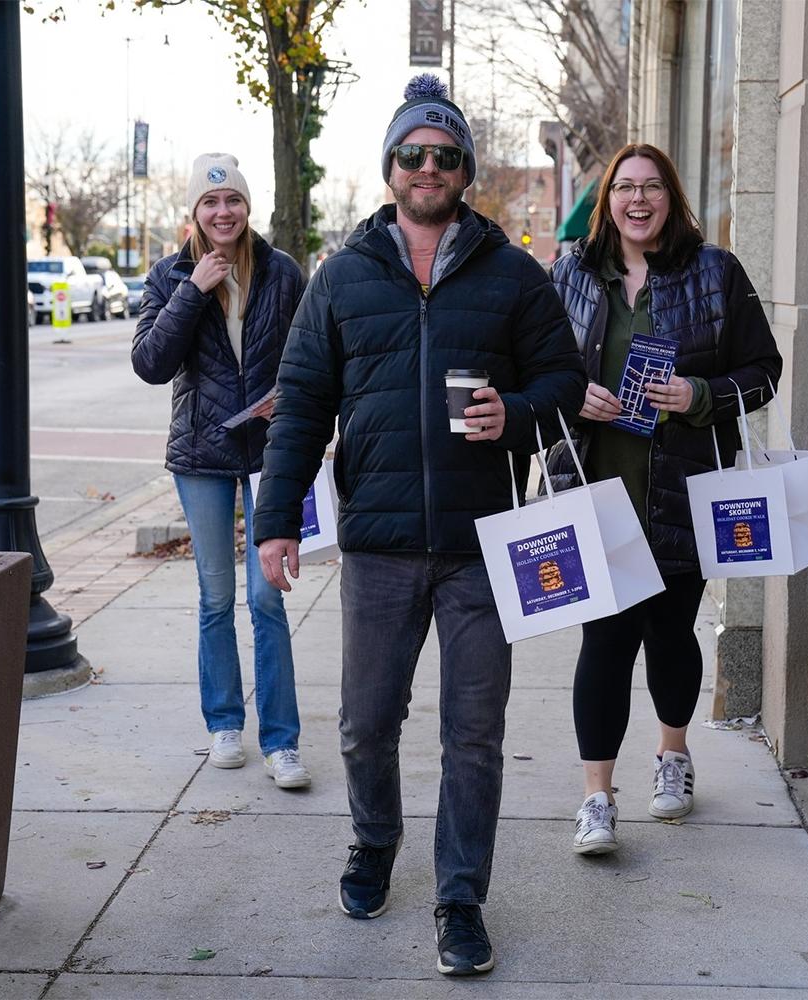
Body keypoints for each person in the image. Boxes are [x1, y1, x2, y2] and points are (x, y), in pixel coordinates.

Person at [254, 75, 586, 977]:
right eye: (413, 154)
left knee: (474, 733)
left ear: (465, 170)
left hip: (482, 546)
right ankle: (375, 841)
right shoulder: (342, 277)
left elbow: (564, 382)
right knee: (365, 723)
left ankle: (460, 897)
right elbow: (301, 405)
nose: (428, 167)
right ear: (391, 167)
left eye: (444, 155)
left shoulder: (513, 275)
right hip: (379, 544)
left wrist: (513, 414)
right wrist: (276, 521)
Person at [547, 143, 782, 855]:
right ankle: (596, 798)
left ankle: (672, 755)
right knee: (604, 642)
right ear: (607, 201)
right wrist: (571, 395)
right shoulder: (572, 276)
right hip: (598, 491)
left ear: (671, 197)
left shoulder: (715, 272)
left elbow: (765, 369)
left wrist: (699, 394)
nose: (638, 199)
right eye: (625, 187)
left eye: (652, 186)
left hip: (683, 490)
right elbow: (535, 371)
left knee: (670, 635)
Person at [132, 153, 311, 791]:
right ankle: (225, 724)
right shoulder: (169, 275)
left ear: (247, 206)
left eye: (232, 199)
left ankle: (282, 741)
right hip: (201, 454)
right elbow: (151, 364)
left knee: (266, 597)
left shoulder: (282, 272)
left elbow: (312, 355)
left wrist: (293, 398)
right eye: (210, 202)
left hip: (269, 453)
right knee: (215, 596)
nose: (223, 211)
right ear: (194, 212)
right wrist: (193, 290)